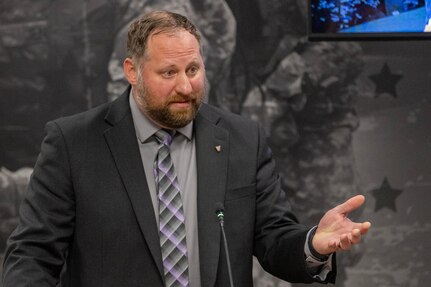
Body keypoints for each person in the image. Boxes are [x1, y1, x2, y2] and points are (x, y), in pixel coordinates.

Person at [2, 10, 371, 287]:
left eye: (193, 70)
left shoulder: (242, 139)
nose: (186, 86)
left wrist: (313, 245)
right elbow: (33, 253)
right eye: (168, 73)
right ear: (132, 71)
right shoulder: (73, 143)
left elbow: (273, 238)